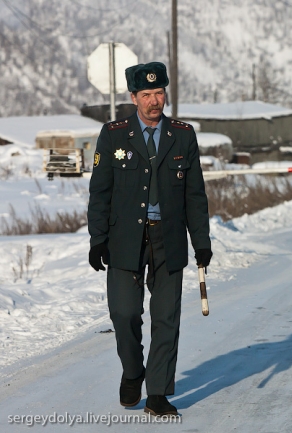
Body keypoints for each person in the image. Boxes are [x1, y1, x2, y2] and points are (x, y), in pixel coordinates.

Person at [87, 62, 213, 415]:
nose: (154, 101)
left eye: (159, 93)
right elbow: (100, 191)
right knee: (124, 313)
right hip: (125, 238)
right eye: (146, 95)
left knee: (166, 317)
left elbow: (195, 194)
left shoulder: (183, 134)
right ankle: (132, 371)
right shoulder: (113, 134)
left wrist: (201, 240)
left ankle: (158, 393)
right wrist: (98, 239)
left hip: (168, 238)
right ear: (133, 97)